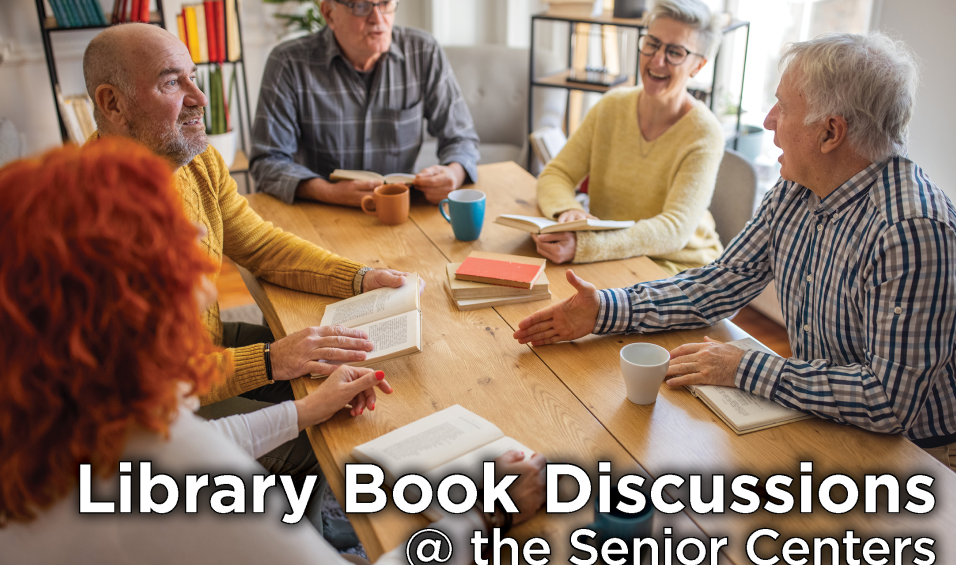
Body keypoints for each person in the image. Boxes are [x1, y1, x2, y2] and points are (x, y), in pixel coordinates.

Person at [0, 139, 547, 565]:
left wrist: (305, 411)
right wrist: (478, 513)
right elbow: (194, 462)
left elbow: (198, 442)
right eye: (173, 244)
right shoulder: (181, 473)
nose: (203, 262)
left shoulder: (55, 414)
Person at [514, 32, 956, 492]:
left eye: (783, 107)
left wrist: (746, 367)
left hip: (935, 458)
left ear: (831, 132)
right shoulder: (800, 186)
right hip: (843, 425)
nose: (767, 120)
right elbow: (721, 282)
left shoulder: (912, 230)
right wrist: (606, 309)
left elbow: (888, 402)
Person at [82, 23, 422, 408]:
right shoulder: (88, 217)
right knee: (330, 444)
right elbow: (142, 385)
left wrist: (360, 278)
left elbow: (259, 244)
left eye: (192, 77)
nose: (199, 98)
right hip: (153, 414)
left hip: (206, 350)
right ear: (113, 104)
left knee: (349, 364)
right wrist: (271, 360)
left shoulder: (196, 159)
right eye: (171, 84)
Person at [532, 0, 725, 275]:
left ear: (698, 66)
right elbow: (556, 174)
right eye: (652, 43)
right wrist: (569, 211)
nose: (657, 60)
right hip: (613, 254)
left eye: (675, 52)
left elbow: (674, 229)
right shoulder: (611, 106)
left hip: (681, 267)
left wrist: (587, 246)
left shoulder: (705, 133)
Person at [250, 0, 480, 207]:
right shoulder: (288, 63)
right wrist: (330, 193)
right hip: (320, 212)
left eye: (386, 3)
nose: (378, 19)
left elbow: (462, 138)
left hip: (400, 211)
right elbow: (267, 161)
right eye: (361, 6)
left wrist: (453, 173)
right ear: (329, 13)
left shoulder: (423, 51)